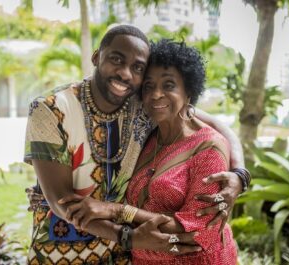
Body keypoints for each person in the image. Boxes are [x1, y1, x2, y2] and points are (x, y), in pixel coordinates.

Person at [24, 25, 249, 264]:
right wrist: (128, 237)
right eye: (116, 59)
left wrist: (240, 176)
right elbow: (62, 202)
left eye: (137, 68)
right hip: (62, 251)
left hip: (121, 256)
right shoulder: (51, 109)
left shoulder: (142, 106)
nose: (125, 73)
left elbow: (218, 127)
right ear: (96, 57)